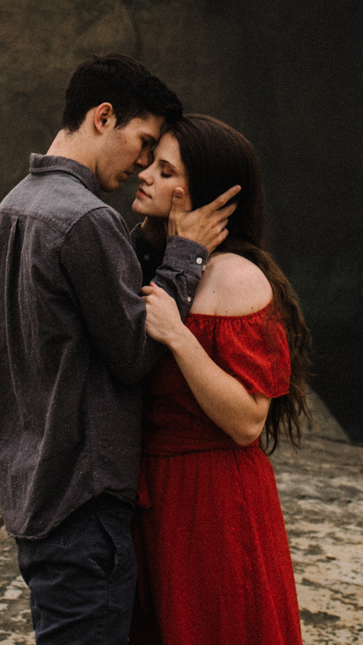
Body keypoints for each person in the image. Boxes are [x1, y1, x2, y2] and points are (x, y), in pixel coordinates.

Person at [0, 55, 240, 645]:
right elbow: (133, 351)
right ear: (104, 118)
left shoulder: (15, 207)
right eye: (143, 141)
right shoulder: (85, 220)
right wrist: (185, 256)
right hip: (83, 499)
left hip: (33, 487)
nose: (144, 163)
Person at [130, 113, 311, 645]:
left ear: (198, 193)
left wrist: (180, 338)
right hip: (157, 493)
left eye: (165, 171)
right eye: (151, 163)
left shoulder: (236, 277)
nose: (145, 174)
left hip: (212, 499)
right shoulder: (161, 261)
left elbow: (248, 420)